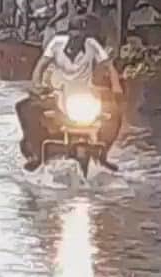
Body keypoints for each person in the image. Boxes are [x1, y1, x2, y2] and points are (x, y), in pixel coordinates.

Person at [16, 14, 123, 171]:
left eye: (84, 34)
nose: (79, 38)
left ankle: (104, 154)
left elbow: (109, 67)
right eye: (76, 33)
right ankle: (36, 154)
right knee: (25, 108)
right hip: (58, 93)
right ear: (69, 32)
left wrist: (116, 85)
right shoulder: (56, 44)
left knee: (115, 113)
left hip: (85, 95)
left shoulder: (92, 45)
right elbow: (40, 66)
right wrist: (36, 84)